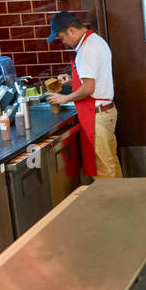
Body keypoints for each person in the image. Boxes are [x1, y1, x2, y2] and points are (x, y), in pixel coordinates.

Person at [46, 11, 120, 179]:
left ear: (71, 30)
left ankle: (114, 205)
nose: (63, 42)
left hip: (97, 117)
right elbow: (95, 78)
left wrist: (64, 98)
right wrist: (72, 80)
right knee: (110, 163)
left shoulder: (86, 50)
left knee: (104, 171)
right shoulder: (95, 40)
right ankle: (122, 203)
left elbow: (88, 89)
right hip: (106, 111)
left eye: (61, 37)